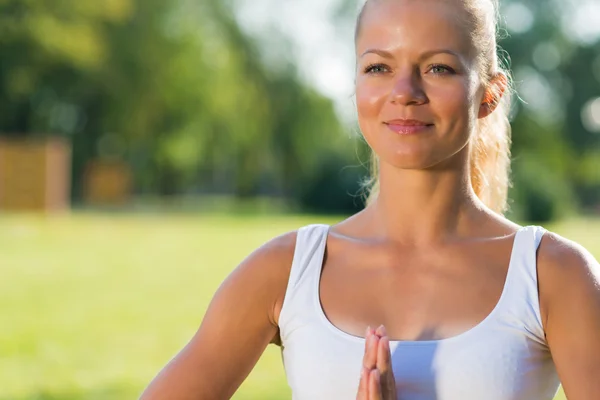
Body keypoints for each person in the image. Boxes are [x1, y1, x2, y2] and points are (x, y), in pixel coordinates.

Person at [140, 0, 600, 398]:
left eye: (438, 67)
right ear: (356, 83)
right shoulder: (286, 271)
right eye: (379, 67)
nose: (404, 93)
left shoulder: (553, 276)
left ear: (490, 94)